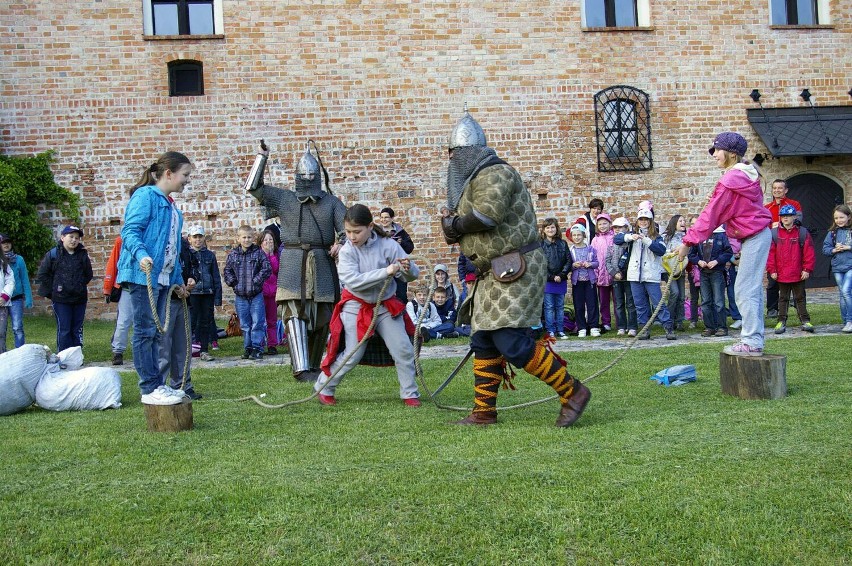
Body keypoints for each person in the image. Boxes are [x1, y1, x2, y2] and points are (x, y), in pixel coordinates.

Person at [440, 109, 590, 427]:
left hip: (515, 266)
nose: (450, 158)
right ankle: (484, 411)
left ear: (466, 152)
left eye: (454, 152)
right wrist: (453, 224)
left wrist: (454, 223)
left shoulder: (495, 174)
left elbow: (486, 216)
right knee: (483, 340)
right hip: (491, 272)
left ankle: (572, 391)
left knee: (510, 339)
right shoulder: (472, 181)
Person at [245, 141, 346, 382]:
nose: (309, 178)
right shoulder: (284, 198)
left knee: (322, 315)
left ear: (318, 176)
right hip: (292, 261)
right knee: (293, 313)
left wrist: (341, 242)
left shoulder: (331, 202)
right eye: (305, 175)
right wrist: (262, 157)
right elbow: (253, 187)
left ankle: (313, 365)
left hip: (322, 262)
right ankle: (300, 368)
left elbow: (347, 228)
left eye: (312, 174)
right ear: (298, 177)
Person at [676, 132, 772, 356]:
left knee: (745, 289)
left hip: (756, 237)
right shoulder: (743, 175)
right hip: (755, 237)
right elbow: (737, 213)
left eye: (718, 150)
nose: (715, 155)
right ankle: (754, 340)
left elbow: (710, 216)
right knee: (751, 289)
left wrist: (687, 242)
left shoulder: (730, 180)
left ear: (731, 153)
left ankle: (751, 342)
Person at [316, 203, 421, 407]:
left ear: (370, 227)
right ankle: (324, 387)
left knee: (403, 348)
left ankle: (410, 393)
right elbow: (353, 281)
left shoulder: (389, 245)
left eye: (357, 231)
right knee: (353, 352)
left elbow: (412, 273)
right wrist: (387, 272)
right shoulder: (347, 251)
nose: (352, 236)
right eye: (348, 232)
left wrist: (405, 269)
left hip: (384, 305)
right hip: (356, 305)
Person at [117, 151, 193, 405]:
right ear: (169, 174)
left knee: (159, 333)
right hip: (142, 276)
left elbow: (173, 249)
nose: (187, 180)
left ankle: (158, 384)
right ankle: (149, 387)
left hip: (162, 279)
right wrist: (141, 255)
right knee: (145, 331)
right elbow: (130, 231)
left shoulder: (173, 209)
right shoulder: (145, 197)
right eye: (185, 175)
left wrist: (179, 282)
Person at [614, 207, 676, 340]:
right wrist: (630, 237)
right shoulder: (631, 235)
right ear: (637, 221)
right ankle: (644, 328)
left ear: (650, 221)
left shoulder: (657, 236)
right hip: (634, 274)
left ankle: (668, 327)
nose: (643, 222)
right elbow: (617, 239)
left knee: (658, 303)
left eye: (646, 219)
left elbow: (660, 250)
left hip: (651, 275)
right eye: (641, 219)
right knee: (639, 304)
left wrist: (646, 240)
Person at [158, 236, 202, 400]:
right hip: (164, 300)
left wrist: (192, 279)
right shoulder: (159, 242)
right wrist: (174, 287)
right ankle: (159, 386)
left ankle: (183, 385)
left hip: (182, 301)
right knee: (163, 345)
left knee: (183, 345)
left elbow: (194, 267)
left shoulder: (183, 244)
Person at [36, 225, 93, 352]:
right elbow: (43, 274)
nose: (74, 240)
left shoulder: (82, 254)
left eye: (77, 238)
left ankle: (77, 355)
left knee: (77, 329)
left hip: (79, 299)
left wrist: (78, 285)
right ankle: (63, 356)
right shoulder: (54, 254)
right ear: (62, 237)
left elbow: (88, 274)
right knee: (64, 329)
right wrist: (55, 289)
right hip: (61, 300)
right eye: (71, 237)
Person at [224, 225, 272, 360]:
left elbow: (266, 268)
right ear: (238, 238)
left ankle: (257, 348)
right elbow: (227, 271)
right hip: (240, 296)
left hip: (256, 294)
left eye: (249, 237)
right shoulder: (233, 255)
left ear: (253, 238)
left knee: (257, 322)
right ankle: (248, 347)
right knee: (245, 324)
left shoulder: (258, 253)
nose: (246, 240)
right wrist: (233, 282)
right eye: (244, 237)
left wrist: (256, 280)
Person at [767, 204, 815, 334]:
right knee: (783, 298)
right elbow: (770, 254)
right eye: (783, 216)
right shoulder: (774, 234)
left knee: (800, 297)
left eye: (788, 215)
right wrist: (772, 270)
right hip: (781, 273)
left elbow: (809, 252)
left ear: (794, 216)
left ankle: (805, 321)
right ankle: (781, 321)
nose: (785, 218)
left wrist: (807, 269)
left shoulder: (802, 233)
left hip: (798, 272)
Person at [764, 179, 803, 317]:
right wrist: (771, 227)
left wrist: (781, 224)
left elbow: (798, 222)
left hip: (790, 246)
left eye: (780, 188)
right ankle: (772, 308)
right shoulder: (767, 208)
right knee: (772, 280)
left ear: (786, 190)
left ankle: (798, 307)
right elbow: (762, 227)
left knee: (794, 280)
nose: (777, 190)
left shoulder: (794, 204)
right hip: (774, 246)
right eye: (774, 188)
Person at [688, 226, 733, 337]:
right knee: (705, 302)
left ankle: (722, 327)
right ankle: (709, 327)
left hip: (717, 272)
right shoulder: (699, 235)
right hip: (704, 273)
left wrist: (717, 261)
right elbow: (691, 254)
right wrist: (699, 261)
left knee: (719, 301)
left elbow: (728, 252)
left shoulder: (721, 235)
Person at [187, 225, 222, 361]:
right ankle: (188, 349)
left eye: (200, 236)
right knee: (191, 321)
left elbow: (216, 277)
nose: (198, 240)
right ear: (189, 239)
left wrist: (217, 297)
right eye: (195, 237)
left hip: (207, 292)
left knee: (206, 321)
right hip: (193, 293)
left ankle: (204, 350)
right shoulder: (187, 255)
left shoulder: (210, 255)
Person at [103, 235, 134, 365]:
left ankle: (140, 351)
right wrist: (108, 288)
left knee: (143, 322)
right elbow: (113, 263)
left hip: (144, 288)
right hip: (127, 287)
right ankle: (118, 351)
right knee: (123, 321)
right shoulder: (121, 240)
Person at [605, 217, 637, 336]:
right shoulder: (611, 244)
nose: (618, 230)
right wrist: (614, 273)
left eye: (620, 227)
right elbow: (607, 261)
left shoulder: (631, 243)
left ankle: (632, 326)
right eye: (615, 228)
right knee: (619, 303)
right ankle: (621, 326)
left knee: (630, 302)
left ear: (627, 228)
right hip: (616, 278)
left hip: (629, 277)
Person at [823, 205, 852, 333]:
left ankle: (850, 320)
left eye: (842, 217)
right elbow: (825, 249)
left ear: (849, 217)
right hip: (837, 267)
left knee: (846, 291)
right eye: (836, 218)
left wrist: (848, 247)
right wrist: (834, 249)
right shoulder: (832, 233)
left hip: (850, 266)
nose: (839, 220)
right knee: (842, 294)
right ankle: (845, 321)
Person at [540, 217, 570, 339]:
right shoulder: (541, 245)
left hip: (560, 280)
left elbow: (568, 261)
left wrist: (561, 275)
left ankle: (560, 329)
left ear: (556, 228)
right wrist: (552, 277)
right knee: (549, 307)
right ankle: (550, 330)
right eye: (548, 227)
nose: (550, 229)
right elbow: (540, 264)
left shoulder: (563, 244)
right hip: (548, 281)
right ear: (544, 230)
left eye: (552, 227)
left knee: (560, 306)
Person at [1, 233, 32, 350]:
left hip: (16, 299)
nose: (6, 244)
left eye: (8, 242)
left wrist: (28, 297)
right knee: (1, 329)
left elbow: (24, 279)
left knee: (17, 327)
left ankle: (20, 352)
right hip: (1, 300)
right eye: (3, 242)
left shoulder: (19, 260)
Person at [569, 223, 600, 337]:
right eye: (574, 235)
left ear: (583, 235)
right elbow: (568, 265)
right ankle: (581, 327)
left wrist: (590, 264)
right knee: (579, 304)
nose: (577, 237)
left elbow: (597, 263)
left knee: (592, 304)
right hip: (577, 281)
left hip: (590, 281)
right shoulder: (571, 250)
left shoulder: (590, 249)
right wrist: (574, 265)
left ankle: (594, 327)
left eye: (579, 235)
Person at [378, 207, 415, 303]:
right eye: (381, 217)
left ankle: (402, 316)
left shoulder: (400, 232)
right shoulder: (376, 232)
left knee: (401, 295)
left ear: (392, 218)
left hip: (399, 267)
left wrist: (401, 242)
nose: (383, 220)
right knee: (383, 295)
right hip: (383, 267)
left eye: (386, 217)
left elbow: (410, 248)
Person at [662, 214, 687, 331]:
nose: (683, 223)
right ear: (674, 223)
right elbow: (662, 251)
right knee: (675, 293)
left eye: (684, 221)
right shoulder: (667, 237)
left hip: (681, 269)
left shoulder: (687, 237)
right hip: (669, 270)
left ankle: (679, 321)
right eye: (680, 221)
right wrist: (672, 251)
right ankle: (669, 320)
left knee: (682, 296)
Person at [257, 229, 281, 355]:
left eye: (270, 240)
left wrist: (271, 254)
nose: (268, 242)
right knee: (259, 321)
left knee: (272, 320)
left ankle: (272, 345)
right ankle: (259, 344)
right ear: (261, 242)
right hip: (261, 293)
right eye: (265, 240)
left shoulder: (276, 255)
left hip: (273, 293)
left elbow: (275, 268)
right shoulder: (258, 255)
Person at [590, 212, 615, 331]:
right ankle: (606, 322)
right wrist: (595, 272)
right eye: (600, 224)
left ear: (610, 224)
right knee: (603, 300)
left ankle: (620, 322)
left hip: (614, 273)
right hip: (600, 274)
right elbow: (592, 257)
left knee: (617, 300)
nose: (603, 226)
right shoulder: (595, 240)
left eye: (605, 223)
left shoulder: (614, 237)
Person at [0, 246, 14, 353]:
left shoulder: (4, 265)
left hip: (2, 306)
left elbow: (10, 282)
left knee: (1, 333)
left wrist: (4, 297)